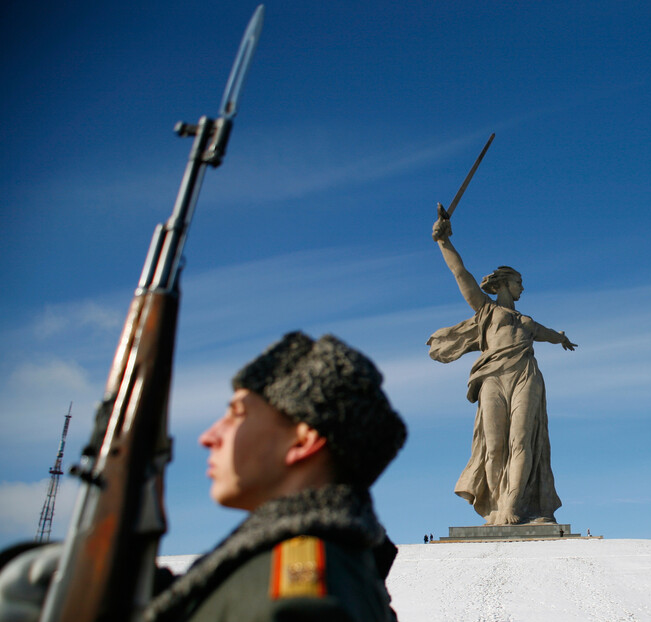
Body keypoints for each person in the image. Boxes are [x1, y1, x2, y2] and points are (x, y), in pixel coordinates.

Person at [0, 331, 407, 622]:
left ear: (303, 440)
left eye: (236, 414)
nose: (208, 436)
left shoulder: (297, 592)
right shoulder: (334, 571)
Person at [427, 206, 576, 525]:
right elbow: (460, 274)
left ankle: (513, 505)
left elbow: (548, 334)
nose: (523, 288)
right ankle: (495, 505)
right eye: (519, 282)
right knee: (494, 448)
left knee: (521, 441)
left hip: (525, 378)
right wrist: (444, 241)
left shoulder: (527, 321)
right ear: (506, 284)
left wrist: (561, 337)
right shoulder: (487, 311)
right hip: (492, 379)